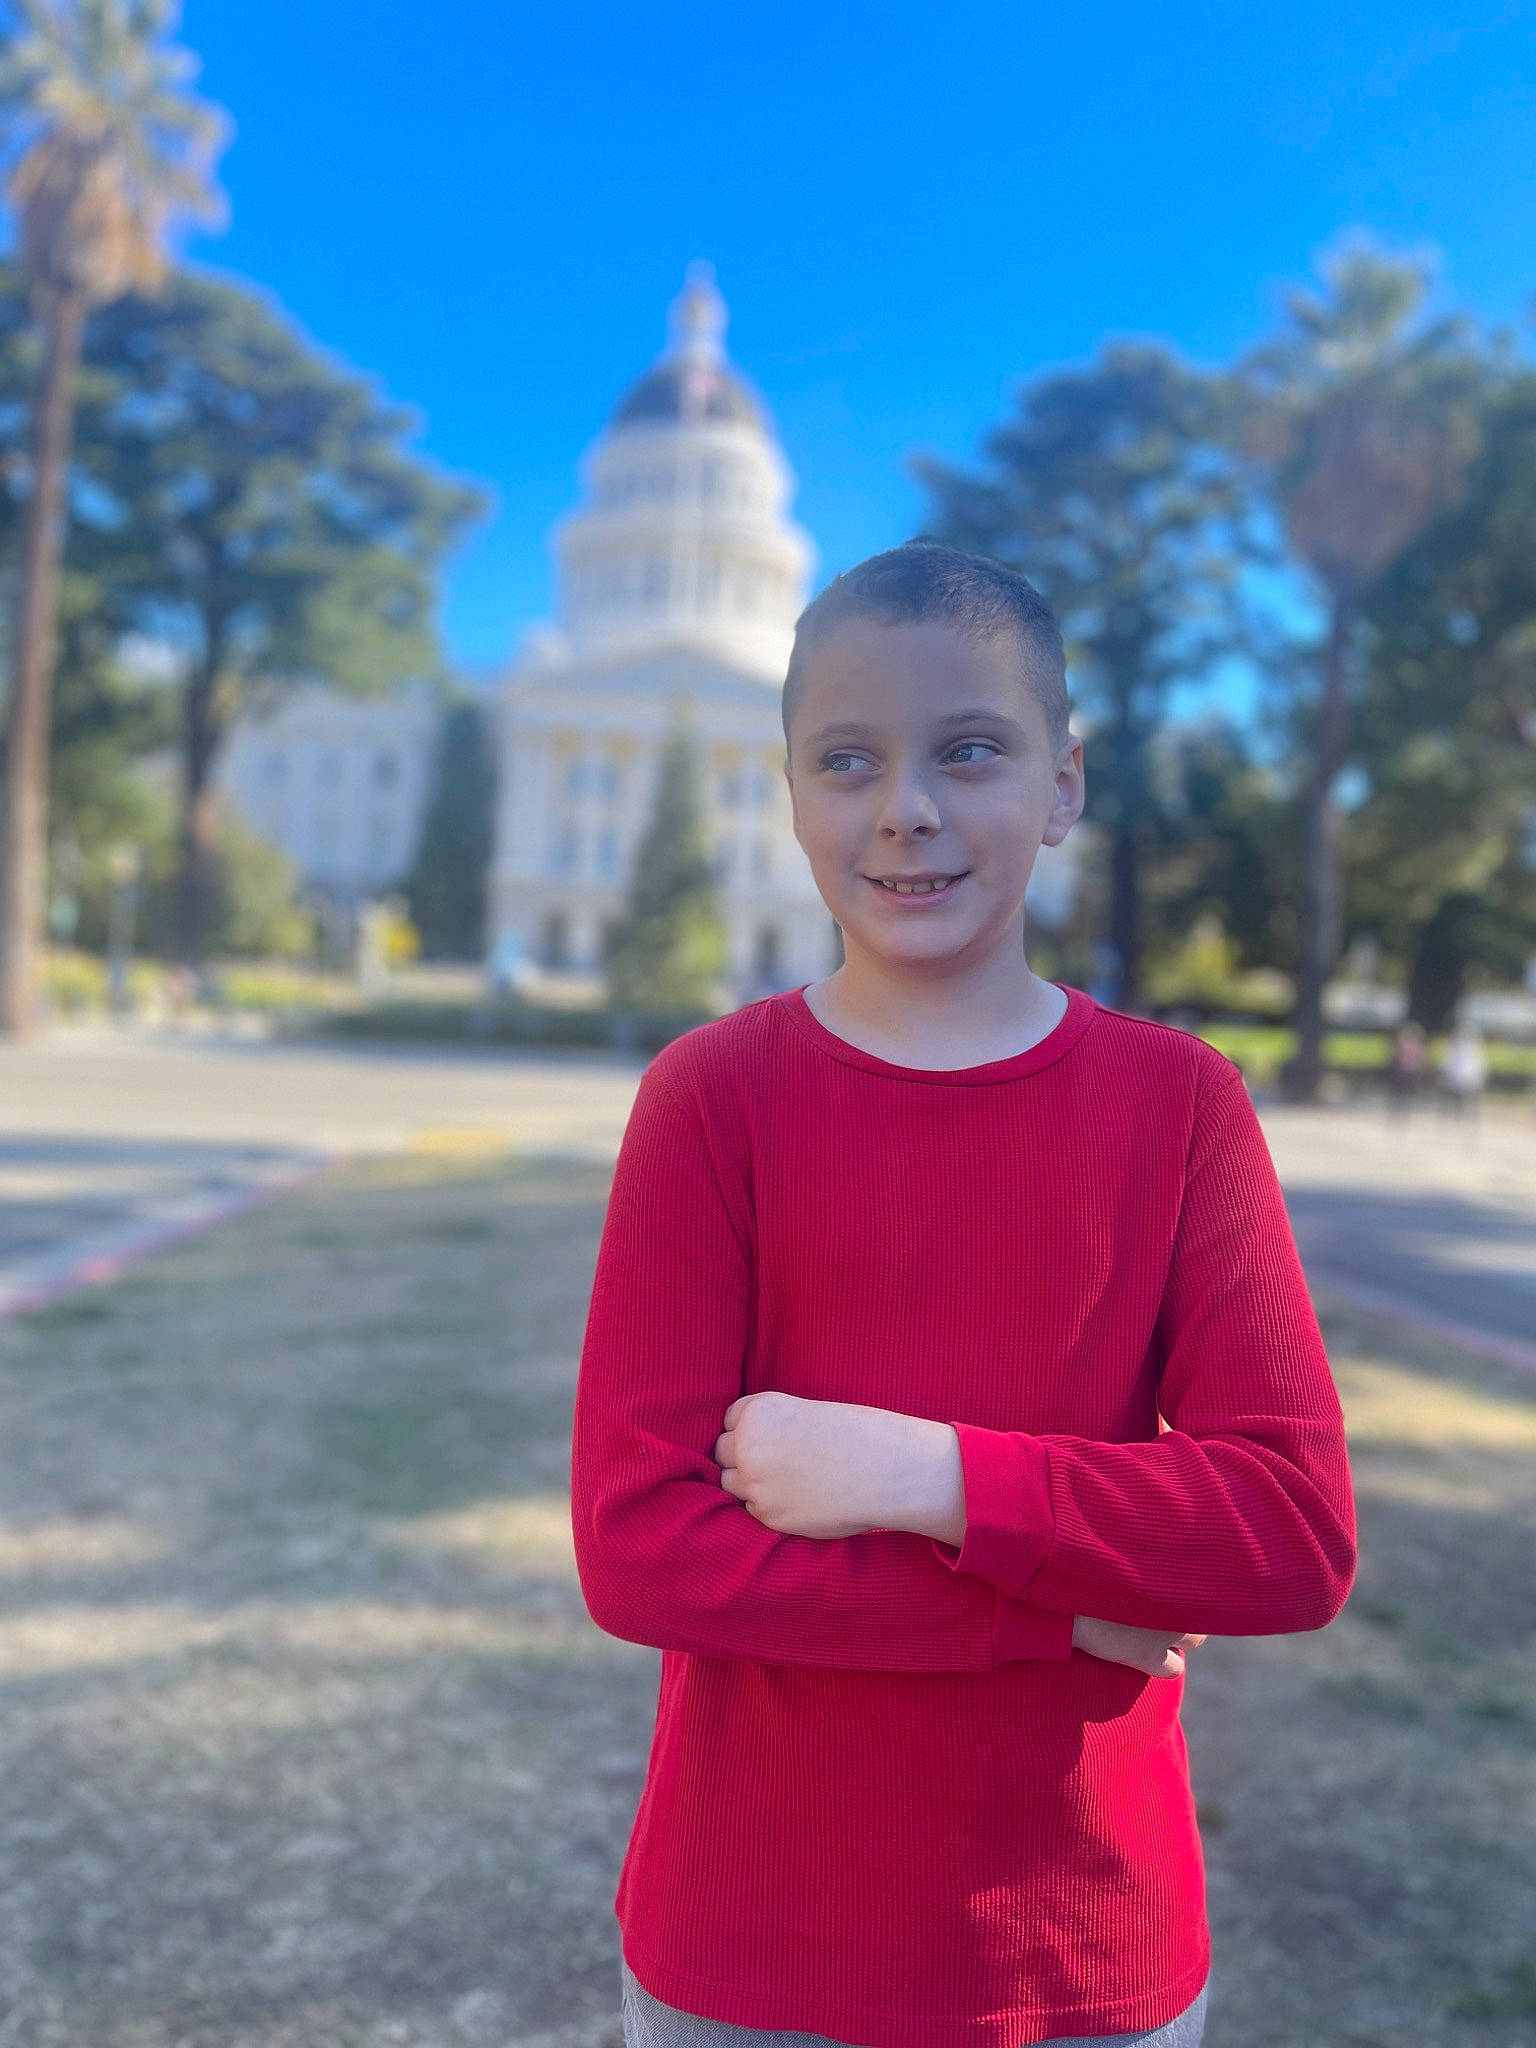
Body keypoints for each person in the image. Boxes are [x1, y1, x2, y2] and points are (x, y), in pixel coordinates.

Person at [571, 544, 1357, 2048]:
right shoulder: (712, 1103)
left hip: (1085, 1950)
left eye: (971, 750)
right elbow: (641, 1549)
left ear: (1063, 783)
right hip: (756, 1951)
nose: (906, 808)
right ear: (792, 797)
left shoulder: (1177, 1107)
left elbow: (1291, 1530)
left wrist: (926, 1475)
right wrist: (1055, 1620)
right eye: (847, 760)